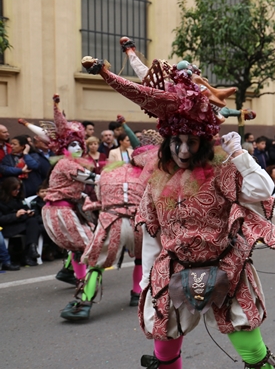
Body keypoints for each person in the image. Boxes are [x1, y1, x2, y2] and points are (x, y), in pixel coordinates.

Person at [83, 53, 275, 369]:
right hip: (175, 267)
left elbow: (261, 191)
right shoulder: (156, 180)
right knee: (163, 341)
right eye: (176, 142)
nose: (183, 150)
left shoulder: (223, 171)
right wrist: (149, 278)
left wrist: (240, 154)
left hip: (226, 265)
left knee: (250, 347)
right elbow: (151, 233)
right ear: (167, 141)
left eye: (190, 142)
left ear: (202, 141)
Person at [21, 97, 99, 310]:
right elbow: (93, 180)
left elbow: (80, 189)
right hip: (60, 211)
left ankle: (77, 277)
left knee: (79, 248)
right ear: (65, 147)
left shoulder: (70, 163)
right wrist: (118, 178)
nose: (77, 148)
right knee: (93, 248)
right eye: (72, 144)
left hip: (65, 210)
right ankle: (85, 294)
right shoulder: (67, 164)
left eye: (79, 144)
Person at [79, 131, 162, 313]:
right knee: (141, 259)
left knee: (97, 263)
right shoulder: (150, 175)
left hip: (112, 220)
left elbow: (101, 197)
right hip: (138, 222)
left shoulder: (109, 171)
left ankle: (84, 302)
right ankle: (136, 293)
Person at [0, 176, 43, 266]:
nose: (17, 192)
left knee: (33, 221)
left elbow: (25, 208)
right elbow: (2, 219)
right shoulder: (2, 201)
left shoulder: (19, 199)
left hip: (21, 223)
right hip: (7, 226)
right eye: (15, 190)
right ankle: (29, 253)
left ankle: (31, 249)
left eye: (18, 190)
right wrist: (15, 215)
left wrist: (28, 212)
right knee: (34, 225)